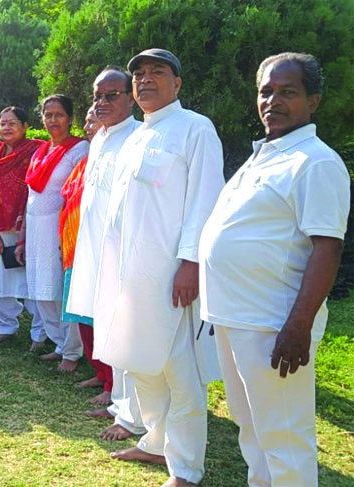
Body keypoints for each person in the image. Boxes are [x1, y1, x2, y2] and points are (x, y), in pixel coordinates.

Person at [200, 52, 349, 487]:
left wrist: (298, 326)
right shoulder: (265, 155)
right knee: (254, 431)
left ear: (313, 100)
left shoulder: (315, 162)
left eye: (288, 92)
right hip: (236, 318)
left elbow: (327, 247)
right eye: (266, 91)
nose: (273, 101)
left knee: (284, 437)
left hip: (274, 324)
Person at [96, 49, 224, 487]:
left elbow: (206, 200)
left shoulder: (195, 130)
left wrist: (190, 263)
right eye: (139, 75)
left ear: (177, 83)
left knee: (180, 374)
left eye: (157, 73)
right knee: (139, 364)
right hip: (129, 276)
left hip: (172, 277)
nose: (146, 80)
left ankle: (186, 469)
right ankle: (154, 443)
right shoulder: (134, 137)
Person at [67, 67, 147, 442]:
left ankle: (133, 411)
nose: (102, 102)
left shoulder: (137, 137)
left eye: (111, 95)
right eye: (97, 96)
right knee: (103, 324)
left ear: (131, 97)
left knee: (124, 330)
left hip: (121, 253)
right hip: (93, 248)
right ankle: (118, 402)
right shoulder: (99, 140)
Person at [15, 95, 88, 371]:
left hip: (60, 230)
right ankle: (59, 343)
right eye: (48, 115)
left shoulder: (79, 149)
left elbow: (78, 192)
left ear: (69, 118)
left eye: (59, 114)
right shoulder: (41, 151)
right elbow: (31, 194)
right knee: (41, 290)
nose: (53, 120)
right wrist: (22, 235)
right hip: (35, 229)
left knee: (61, 289)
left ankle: (73, 351)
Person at [0, 107, 42, 346]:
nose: (7, 127)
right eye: (2, 123)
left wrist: (23, 232)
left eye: (13, 123)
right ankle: (5, 326)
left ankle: (40, 333)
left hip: (30, 229)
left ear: (25, 126)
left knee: (33, 284)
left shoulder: (37, 153)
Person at [60, 107, 111, 403]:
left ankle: (112, 385)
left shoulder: (116, 156)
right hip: (74, 250)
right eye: (89, 120)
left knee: (102, 318)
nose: (91, 125)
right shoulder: (85, 161)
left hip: (99, 251)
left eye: (97, 119)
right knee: (83, 317)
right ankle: (100, 372)